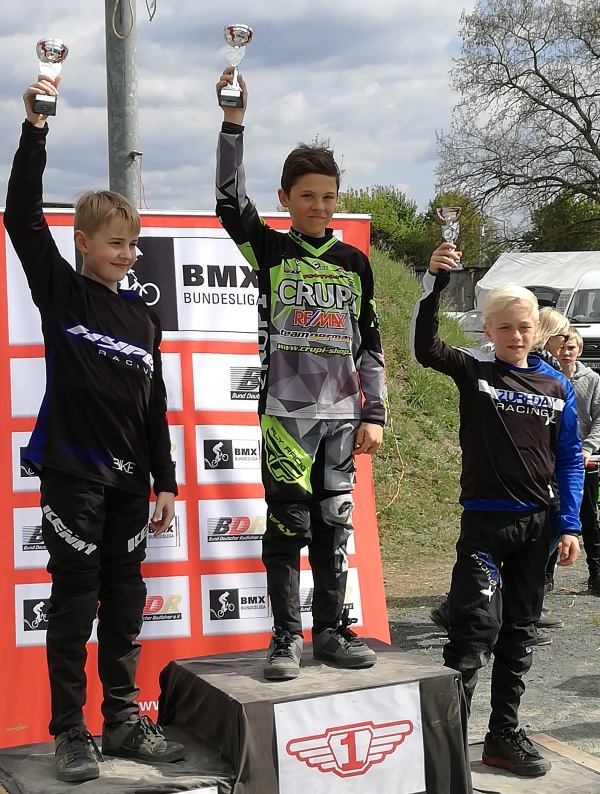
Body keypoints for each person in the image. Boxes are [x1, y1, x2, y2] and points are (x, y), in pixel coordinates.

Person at [4, 75, 185, 783]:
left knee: (127, 605)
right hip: (73, 477)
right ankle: (70, 733)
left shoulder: (143, 315)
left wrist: (165, 480)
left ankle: (123, 720)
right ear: (81, 243)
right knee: (74, 606)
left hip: (131, 485)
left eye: (133, 245)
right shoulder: (62, 290)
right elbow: (22, 217)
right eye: (115, 243)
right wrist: (35, 130)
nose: (127, 254)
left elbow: (153, 403)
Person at [214, 67, 387, 681]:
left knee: (334, 528)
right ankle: (285, 639)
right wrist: (233, 121)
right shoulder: (269, 249)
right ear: (285, 198)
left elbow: (370, 342)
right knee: (288, 526)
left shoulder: (355, 262)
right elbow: (228, 202)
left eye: (329, 196)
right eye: (308, 196)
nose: (319, 206)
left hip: (342, 417)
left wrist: (375, 413)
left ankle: (331, 632)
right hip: (285, 417)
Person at [411, 242, 583, 778]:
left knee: (520, 634)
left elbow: (569, 459)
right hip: (485, 527)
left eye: (524, 327)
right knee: (473, 631)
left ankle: (503, 735)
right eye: (505, 327)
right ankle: (446, 747)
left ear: (538, 331)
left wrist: (570, 525)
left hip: (538, 528)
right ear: (488, 329)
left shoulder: (557, 385)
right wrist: (436, 283)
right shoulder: (475, 371)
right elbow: (425, 347)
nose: (516, 335)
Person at [559, 328, 600, 592]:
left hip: (584, 460)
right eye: (562, 347)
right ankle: (544, 577)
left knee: (589, 516)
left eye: (571, 348)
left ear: (580, 351)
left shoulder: (593, 379)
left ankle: (596, 572)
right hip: (552, 458)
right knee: (550, 516)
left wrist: (587, 448)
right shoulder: (546, 377)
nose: (566, 353)